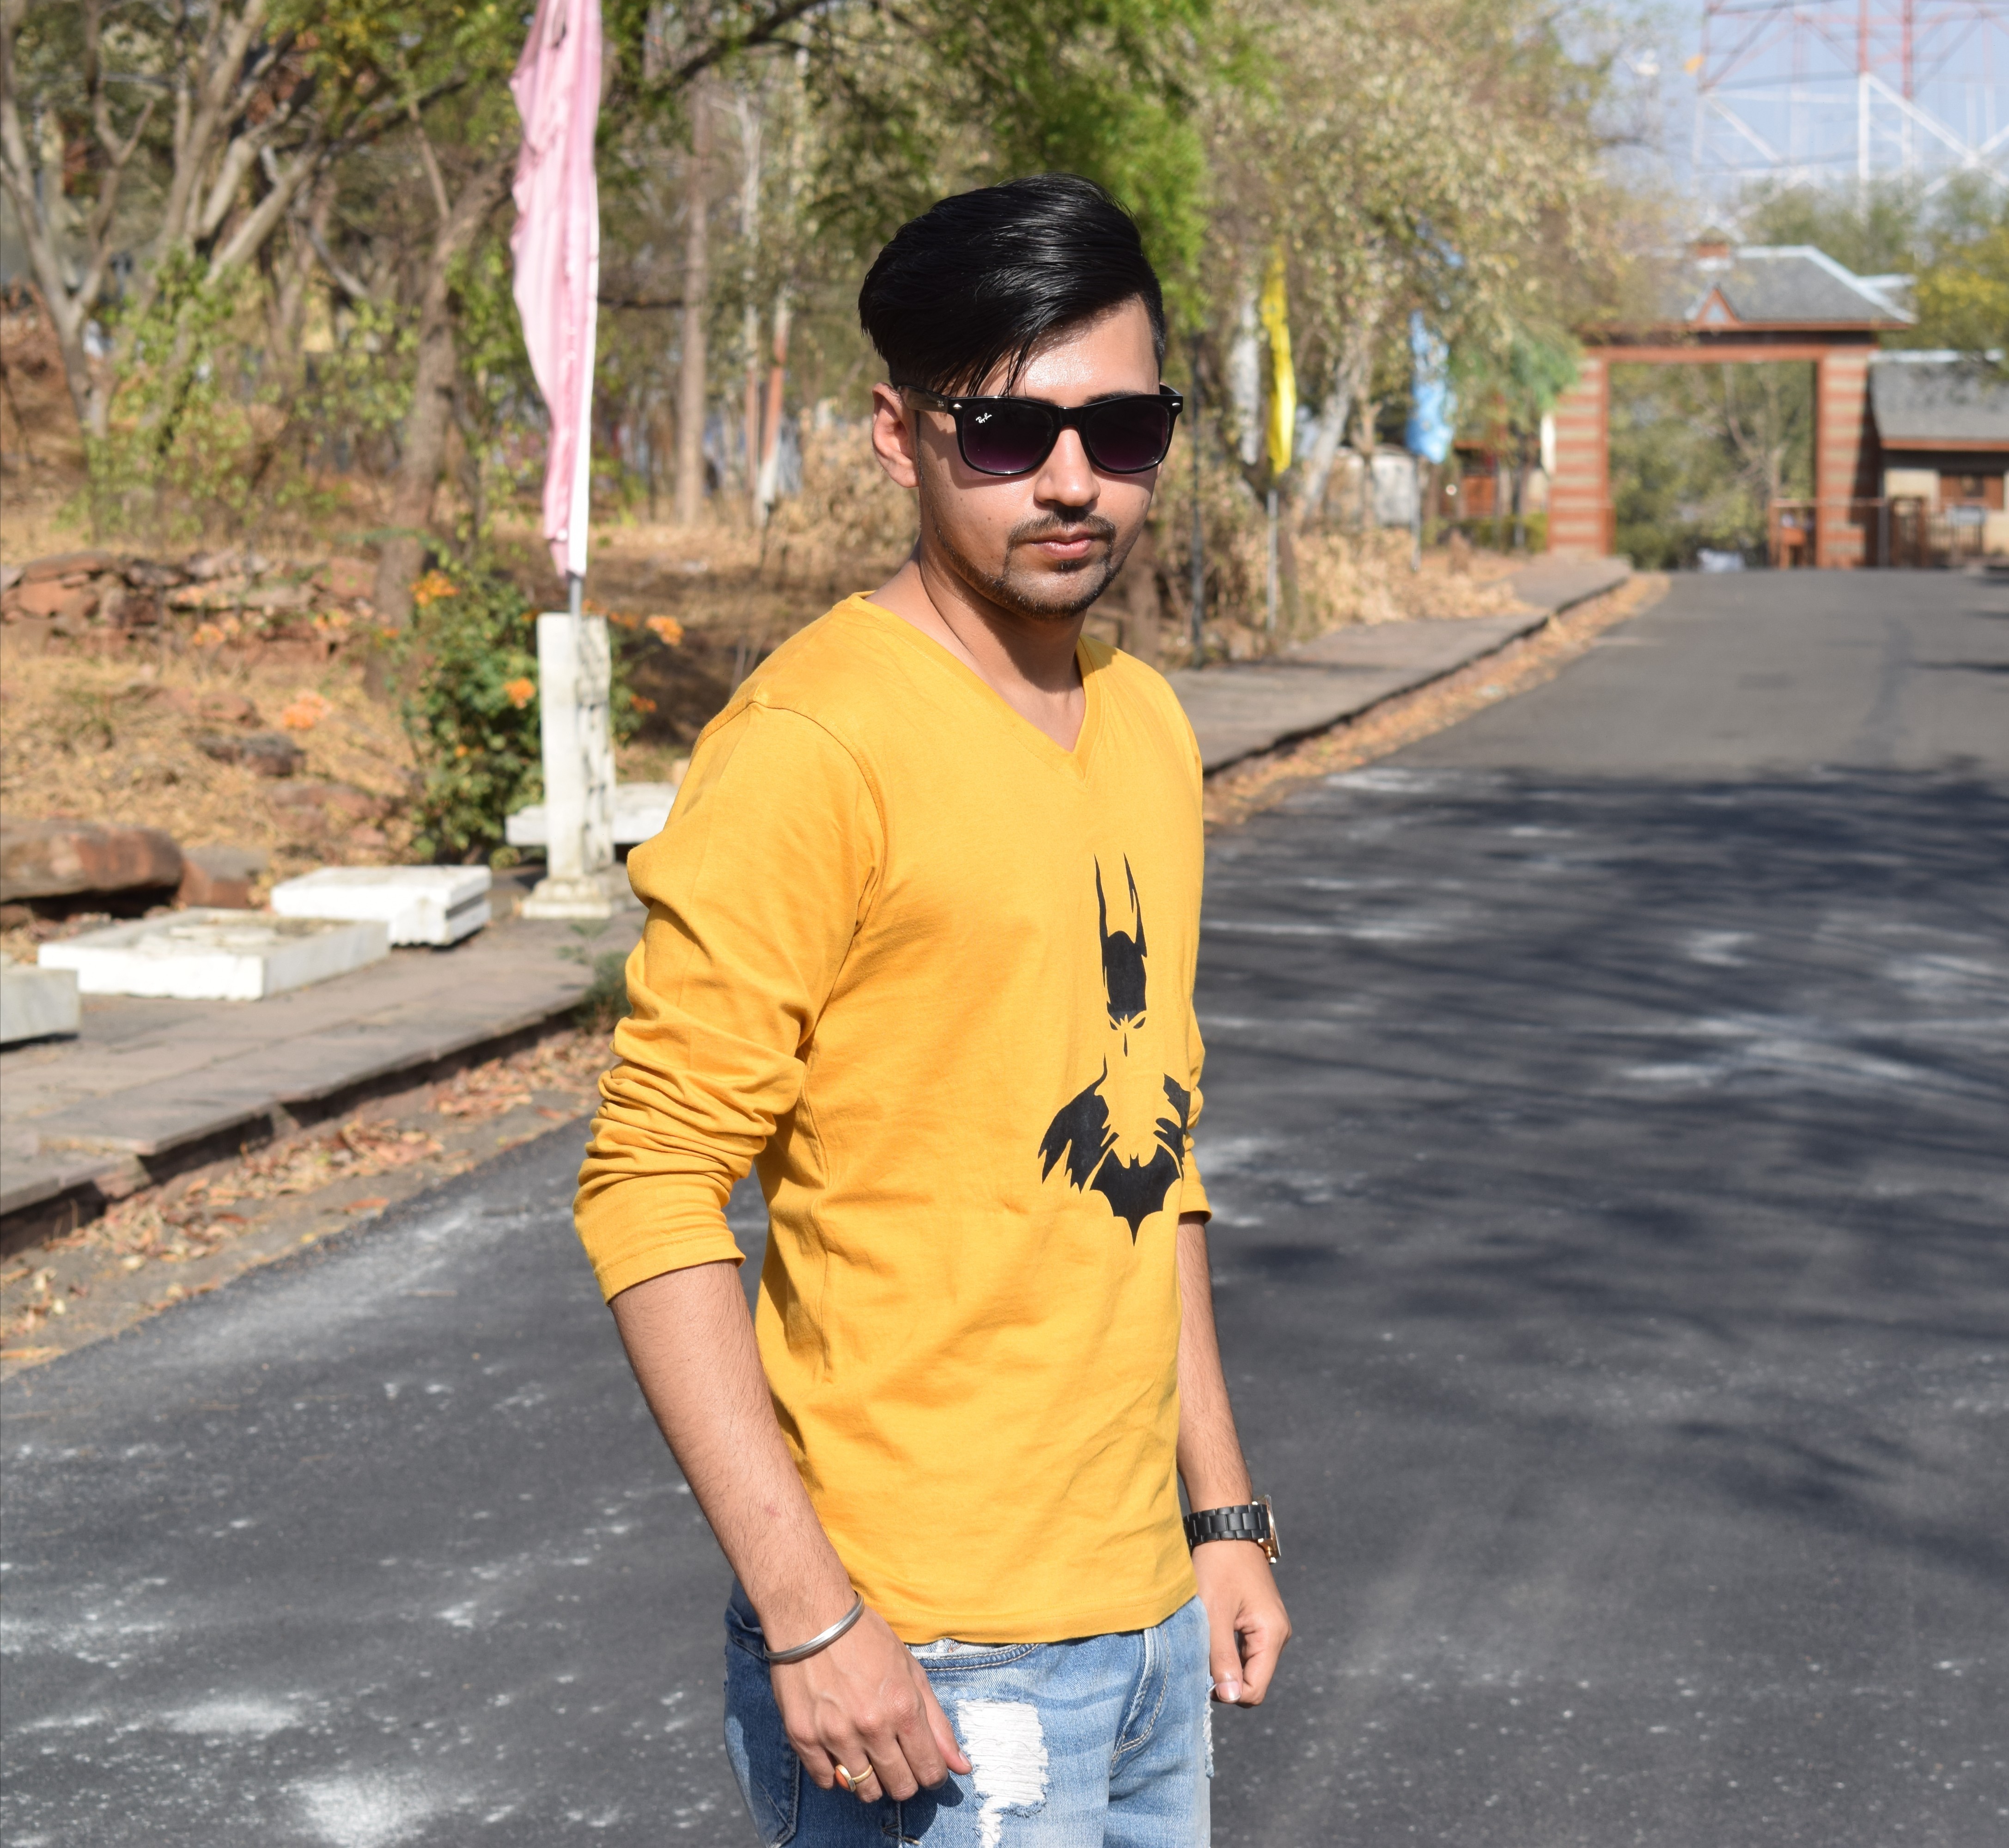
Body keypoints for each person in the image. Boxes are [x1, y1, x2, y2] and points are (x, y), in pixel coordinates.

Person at [575, 172, 1290, 1846]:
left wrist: (1219, 1513)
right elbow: (650, 1186)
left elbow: (1152, 1143)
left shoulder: (1145, 724)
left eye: (1121, 429)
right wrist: (810, 1614)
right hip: (929, 1651)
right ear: (899, 436)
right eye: (1007, 432)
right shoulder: (813, 749)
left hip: (1146, 1623)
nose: (1072, 481)